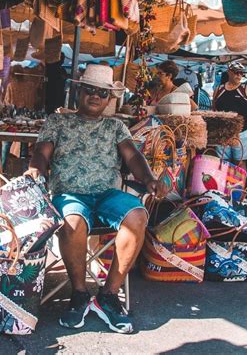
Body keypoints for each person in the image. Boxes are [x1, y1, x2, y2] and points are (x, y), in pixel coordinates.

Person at [25, 64, 166, 334]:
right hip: (70, 194)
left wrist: (149, 179)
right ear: (78, 90)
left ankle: (109, 296)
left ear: (109, 98)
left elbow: (133, 156)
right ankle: (79, 293)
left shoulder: (116, 126)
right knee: (73, 222)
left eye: (102, 92)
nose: (95, 96)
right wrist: (36, 168)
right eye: (89, 89)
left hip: (106, 195)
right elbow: (42, 152)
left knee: (138, 215)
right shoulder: (58, 121)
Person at [213, 61, 247, 172]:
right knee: (222, 162)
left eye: (241, 73)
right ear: (229, 72)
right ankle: (223, 188)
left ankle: (239, 188)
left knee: (240, 163)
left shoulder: (246, 89)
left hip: (241, 133)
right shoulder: (219, 89)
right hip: (222, 133)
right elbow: (214, 110)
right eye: (236, 72)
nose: (239, 75)